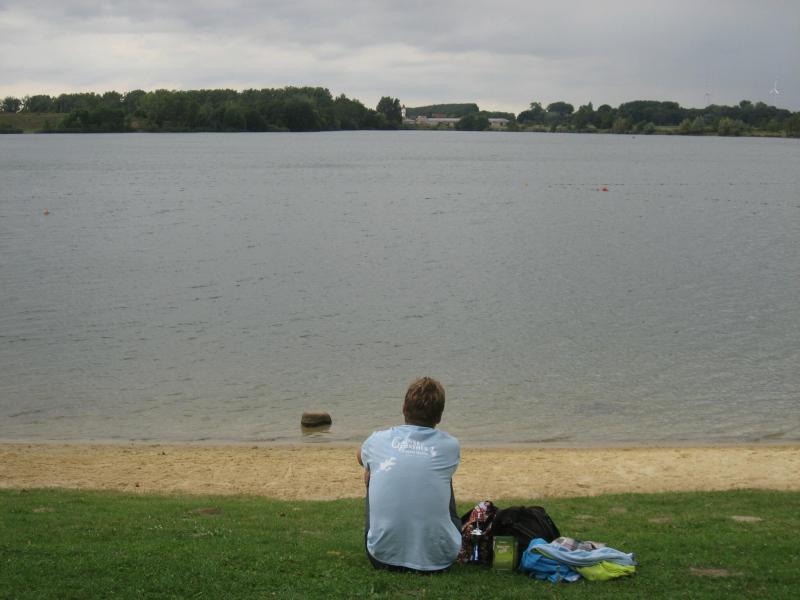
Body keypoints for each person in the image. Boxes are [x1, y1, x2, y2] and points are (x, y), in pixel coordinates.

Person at [357, 376, 462, 572]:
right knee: (442, 474)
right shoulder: (450, 446)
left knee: (373, 470)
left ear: (404, 408)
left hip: (381, 557)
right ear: (439, 417)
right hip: (439, 560)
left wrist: (372, 465)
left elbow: (359, 457)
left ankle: (391, 539)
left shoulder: (377, 440)